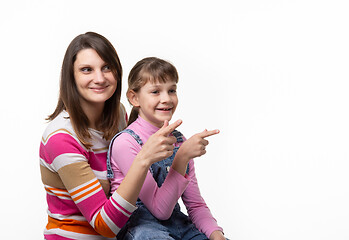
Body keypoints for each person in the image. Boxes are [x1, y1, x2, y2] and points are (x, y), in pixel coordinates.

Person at [39, 32, 182, 240]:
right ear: (71, 76)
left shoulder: (118, 115)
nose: (100, 78)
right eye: (87, 70)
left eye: (107, 67)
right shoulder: (60, 137)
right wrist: (144, 159)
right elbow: (104, 225)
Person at [107, 57, 227, 240]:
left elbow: (195, 205)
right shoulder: (126, 143)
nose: (166, 99)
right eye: (155, 91)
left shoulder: (179, 140)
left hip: (177, 224)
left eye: (172, 90)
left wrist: (217, 235)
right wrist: (182, 157)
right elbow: (159, 210)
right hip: (140, 229)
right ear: (134, 98)